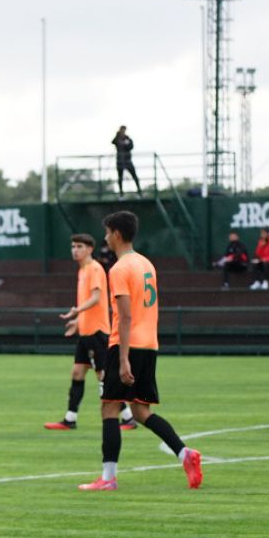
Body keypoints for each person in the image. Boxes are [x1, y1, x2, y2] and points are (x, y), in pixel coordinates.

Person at [79, 211, 202, 492]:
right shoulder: (146, 264)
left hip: (126, 345)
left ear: (117, 234)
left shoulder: (119, 269)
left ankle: (108, 478)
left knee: (109, 406)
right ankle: (186, 455)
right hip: (149, 344)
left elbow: (124, 316)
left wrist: (122, 358)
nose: (105, 238)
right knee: (141, 411)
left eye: (108, 232)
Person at [45, 234, 135, 432]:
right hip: (85, 333)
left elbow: (96, 298)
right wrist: (77, 322)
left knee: (104, 376)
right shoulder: (82, 270)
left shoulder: (94, 268)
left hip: (97, 333)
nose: (74, 250)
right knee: (77, 373)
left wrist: (77, 311)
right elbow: (90, 303)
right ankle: (70, 419)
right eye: (73, 246)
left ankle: (128, 418)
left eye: (79, 246)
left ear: (89, 249)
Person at [112, 126, 142, 197]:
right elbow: (113, 142)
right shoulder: (117, 138)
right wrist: (117, 135)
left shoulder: (128, 138)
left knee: (134, 176)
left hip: (127, 160)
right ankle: (121, 194)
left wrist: (126, 143)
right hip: (120, 161)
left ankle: (139, 192)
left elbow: (131, 147)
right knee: (120, 178)